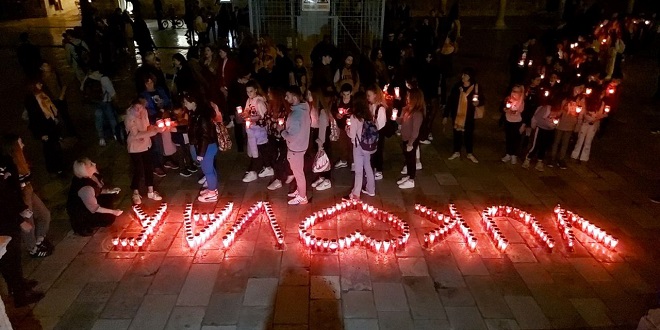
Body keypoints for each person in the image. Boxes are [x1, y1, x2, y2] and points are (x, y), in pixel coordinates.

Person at [0, 157, 45, 307]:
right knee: (10, 258)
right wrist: (20, 221)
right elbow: (2, 199)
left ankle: (17, 285)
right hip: (4, 224)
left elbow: (8, 193)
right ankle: (20, 296)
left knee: (10, 258)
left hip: (7, 219)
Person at [1, 134, 53, 258]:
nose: (23, 145)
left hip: (28, 189)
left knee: (44, 214)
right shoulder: (7, 163)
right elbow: (8, 189)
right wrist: (20, 207)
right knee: (28, 223)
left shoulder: (21, 159)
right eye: (20, 143)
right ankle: (33, 248)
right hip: (21, 195)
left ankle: (40, 240)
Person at [67, 158, 123, 236]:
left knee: (109, 196)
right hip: (82, 215)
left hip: (87, 205)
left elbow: (96, 190)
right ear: (84, 169)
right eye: (91, 164)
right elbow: (94, 208)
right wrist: (113, 212)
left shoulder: (89, 177)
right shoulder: (85, 188)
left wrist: (109, 191)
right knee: (109, 218)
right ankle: (90, 224)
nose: (94, 164)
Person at [125, 97, 164, 205]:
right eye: (136, 107)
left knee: (148, 166)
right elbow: (135, 134)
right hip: (135, 147)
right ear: (132, 106)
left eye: (141, 107)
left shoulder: (144, 112)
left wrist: (154, 127)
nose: (138, 110)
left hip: (146, 144)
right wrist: (153, 132)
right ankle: (135, 191)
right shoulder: (130, 117)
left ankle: (151, 190)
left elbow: (146, 127)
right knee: (138, 169)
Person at [24, 81, 64, 175]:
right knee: (50, 149)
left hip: (50, 123)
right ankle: (56, 168)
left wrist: (54, 117)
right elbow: (33, 119)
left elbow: (49, 106)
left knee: (54, 146)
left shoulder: (41, 94)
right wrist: (40, 134)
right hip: (43, 128)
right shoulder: (31, 100)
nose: (41, 85)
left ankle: (58, 166)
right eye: (38, 83)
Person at [185, 93, 220, 202]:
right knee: (209, 169)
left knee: (208, 170)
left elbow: (205, 136)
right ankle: (212, 188)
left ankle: (212, 193)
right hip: (206, 146)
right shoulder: (196, 114)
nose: (185, 105)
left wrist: (201, 153)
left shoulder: (202, 116)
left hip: (207, 147)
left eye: (186, 102)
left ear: (193, 102)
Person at [444, 68, 483, 163]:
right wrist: (446, 114)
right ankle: (456, 151)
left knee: (468, 134)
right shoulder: (457, 87)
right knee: (457, 133)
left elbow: (482, 99)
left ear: (470, 77)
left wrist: (477, 103)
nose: (463, 77)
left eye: (465, 75)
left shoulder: (476, 87)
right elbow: (450, 100)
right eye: (463, 75)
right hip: (457, 115)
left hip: (469, 116)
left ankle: (469, 152)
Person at [281, 86, 311, 205]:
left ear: (294, 97)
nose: (285, 98)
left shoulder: (295, 116)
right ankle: (299, 190)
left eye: (287, 96)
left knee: (298, 173)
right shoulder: (304, 108)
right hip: (301, 144)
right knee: (297, 170)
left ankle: (302, 196)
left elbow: (291, 136)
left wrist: (282, 132)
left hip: (296, 147)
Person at [345, 92, 375, 200]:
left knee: (358, 170)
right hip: (368, 145)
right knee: (368, 166)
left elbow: (352, 135)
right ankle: (371, 189)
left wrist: (347, 129)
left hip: (358, 146)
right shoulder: (368, 114)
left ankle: (355, 194)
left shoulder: (354, 116)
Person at [241, 81, 272, 183]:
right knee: (255, 149)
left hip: (259, 130)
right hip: (251, 130)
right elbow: (246, 111)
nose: (249, 93)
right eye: (247, 91)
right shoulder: (249, 100)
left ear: (255, 90)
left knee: (261, 148)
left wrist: (253, 118)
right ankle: (262, 167)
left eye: (251, 91)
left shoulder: (259, 102)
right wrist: (244, 115)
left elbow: (264, 116)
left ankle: (257, 169)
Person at [82, 65, 118, 146]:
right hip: (105, 102)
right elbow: (113, 93)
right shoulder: (104, 78)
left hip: (94, 102)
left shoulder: (88, 77)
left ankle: (101, 138)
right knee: (111, 118)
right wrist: (116, 101)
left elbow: (82, 88)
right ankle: (116, 134)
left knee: (98, 119)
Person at [550, 85, 584, 169]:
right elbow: (559, 109)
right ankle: (552, 158)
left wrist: (578, 124)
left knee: (565, 143)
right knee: (556, 141)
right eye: (579, 87)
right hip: (561, 122)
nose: (580, 90)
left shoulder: (580, 100)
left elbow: (581, 114)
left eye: (581, 88)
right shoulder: (565, 98)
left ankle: (561, 159)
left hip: (571, 123)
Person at [397, 89, 425, 189]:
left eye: (409, 96)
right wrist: (396, 117)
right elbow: (401, 122)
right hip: (405, 138)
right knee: (407, 158)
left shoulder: (417, 114)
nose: (407, 98)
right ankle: (409, 175)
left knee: (411, 159)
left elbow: (415, 131)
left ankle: (411, 179)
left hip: (411, 140)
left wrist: (410, 143)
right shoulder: (407, 109)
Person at [522, 101, 560, 171]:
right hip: (540, 129)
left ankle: (540, 161)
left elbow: (557, 121)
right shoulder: (545, 109)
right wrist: (548, 124)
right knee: (535, 145)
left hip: (549, 131)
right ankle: (528, 159)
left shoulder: (558, 112)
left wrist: (554, 125)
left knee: (544, 146)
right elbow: (538, 119)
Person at [266, 87, 291, 191]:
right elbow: (267, 118)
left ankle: (279, 179)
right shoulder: (271, 106)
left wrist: (279, 126)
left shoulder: (284, 109)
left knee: (280, 158)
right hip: (272, 135)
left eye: (269, 92)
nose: (268, 94)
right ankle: (285, 174)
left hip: (281, 138)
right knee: (273, 156)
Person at [309, 88, 333, 191]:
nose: (308, 96)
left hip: (321, 138)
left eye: (310, 94)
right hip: (316, 134)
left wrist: (320, 143)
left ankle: (327, 179)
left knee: (324, 157)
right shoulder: (314, 109)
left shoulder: (322, 111)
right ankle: (322, 176)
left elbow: (323, 127)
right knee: (319, 158)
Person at [571, 95, 607, 162]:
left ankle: (584, 157)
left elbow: (599, 114)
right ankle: (575, 154)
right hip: (584, 123)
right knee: (580, 139)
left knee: (588, 141)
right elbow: (582, 112)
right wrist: (580, 122)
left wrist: (602, 115)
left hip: (593, 125)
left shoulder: (602, 103)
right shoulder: (586, 101)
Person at [366, 85, 388, 180]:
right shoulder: (371, 106)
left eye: (369, 95)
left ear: (375, 95)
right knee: (372, 151)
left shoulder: (381, 108)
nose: (367, 97)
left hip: (378, 133)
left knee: (378, 150)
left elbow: (380, 124)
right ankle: (373, 167)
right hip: (372, 132)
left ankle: (379, 170)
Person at [501, 85, 526, 164]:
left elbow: (524, 113)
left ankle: (514, 155)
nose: (514, 93)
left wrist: (523, 124)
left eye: (516, 92)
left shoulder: (521, 102)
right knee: (509, 138)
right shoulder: (508, 99)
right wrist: (505, 109)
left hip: (517, 122)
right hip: (508, 121)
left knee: (516, 139)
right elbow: (503, 108)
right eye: (513, 91)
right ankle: (508, 154)